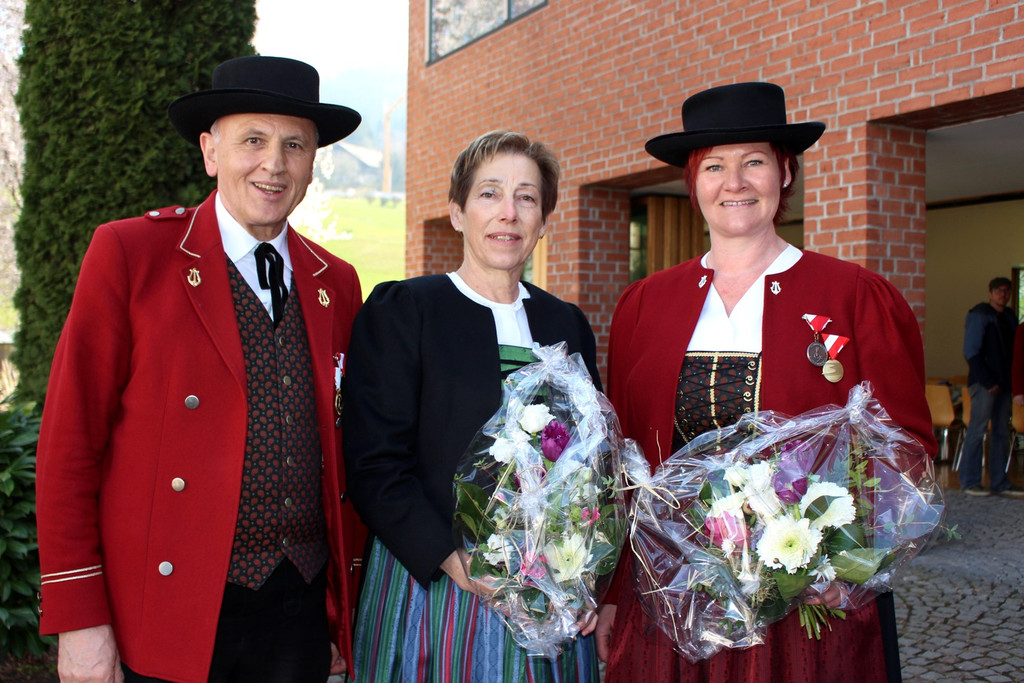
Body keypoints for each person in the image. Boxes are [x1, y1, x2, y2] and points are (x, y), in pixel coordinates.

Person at [35, 56, 365, 682]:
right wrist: (80, 619)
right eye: (253, 140)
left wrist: (335, 615)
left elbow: (345, 454)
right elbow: (69, 447)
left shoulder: (337, 283)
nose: (274, 164)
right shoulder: (132, 254)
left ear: (313, 164)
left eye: (295, 145)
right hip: (169, 612)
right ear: (211, 152)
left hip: (297, 615)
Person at [594, 82, 937, 683]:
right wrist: (614, 592)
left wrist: (853, 565)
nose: (734, 182)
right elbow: (624, 469)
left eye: (754, 162)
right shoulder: (644, 305)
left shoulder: (853, 296)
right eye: (714, 167)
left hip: (804, 602)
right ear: (693, 183)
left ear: (785, 173)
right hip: (669, 595)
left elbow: (905, 449)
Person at [342, 131, 602, 682]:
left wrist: (585, 568)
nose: (509, 212)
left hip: (549, 584)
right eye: (489, 193)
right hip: (436, 586)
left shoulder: (566, 323)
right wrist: (450, 558)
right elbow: (373, 465)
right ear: (457, 212)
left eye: (527, 197)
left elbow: (591, 463)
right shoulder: (407, 310)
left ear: (544, 219)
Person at [960, 277, 1024, 496]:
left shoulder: (1010, 316)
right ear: (990, 292)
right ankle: (970, 481)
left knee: (1001, 432)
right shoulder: (980, 314)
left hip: (1004, 385)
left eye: (1007, 290)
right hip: (984, 385)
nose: (1003, 294)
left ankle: (1000, 481)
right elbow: (971, 352)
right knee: (977, 431)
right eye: (998, 290)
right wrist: (988, 382)